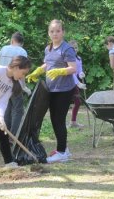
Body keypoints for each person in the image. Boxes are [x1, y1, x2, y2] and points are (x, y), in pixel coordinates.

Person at [26, 19, 77, 163]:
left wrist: (61, 71)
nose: (55, 34)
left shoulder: (67, 49)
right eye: (52, 31)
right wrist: (38, 71)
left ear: (63, 32)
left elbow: (73, 68)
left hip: (64, 90)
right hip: (51, 89)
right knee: (55, 120)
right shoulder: (48, 48)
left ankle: (61, 153)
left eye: (58, 31)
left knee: (58, 120)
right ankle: (64, 148)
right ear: (49, 33)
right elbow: (47, 64)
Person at [0, 32, 31, 136]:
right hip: (15, 83)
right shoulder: (22, 51)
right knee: (18, 110)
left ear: (12, 40)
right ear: (22, 43)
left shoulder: (3, 49)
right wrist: (24, 87)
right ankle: (14, 136)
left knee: (6, 108)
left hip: (2, 82)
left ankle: (4, 135)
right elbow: (23, 70)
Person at [68, 40, 86, 128]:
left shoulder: (79, 58)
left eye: (76, 48)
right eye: (72, 48)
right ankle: (69, 122)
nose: (75, 50)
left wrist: (81, 73)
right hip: (68, 83)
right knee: (65, 102)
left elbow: (79, 70)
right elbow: (71, 73)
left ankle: (73, 122)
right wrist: (78, 83)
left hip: (75, 83)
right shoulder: (67, 59)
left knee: (78, 102)